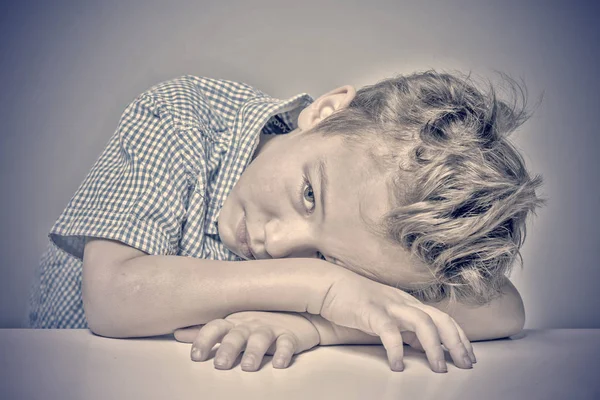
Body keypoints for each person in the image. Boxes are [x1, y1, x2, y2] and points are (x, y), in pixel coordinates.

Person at [27, 71, 546, 373]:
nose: (279, 244)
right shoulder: (180, 117)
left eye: (328, 257)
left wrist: (315, 327)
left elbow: (504, 311)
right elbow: (112, 296)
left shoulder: (381, 241)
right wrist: (320, 284)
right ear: (324, 113)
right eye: (308, 196)